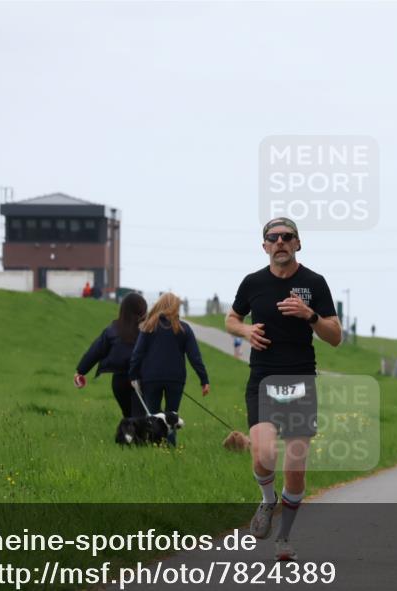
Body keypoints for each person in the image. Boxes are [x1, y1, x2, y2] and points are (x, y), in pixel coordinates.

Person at [225, 217, 342, 561]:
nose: (280, 242)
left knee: (295, 468)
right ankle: (266, 501)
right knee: (262, 454)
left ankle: (284, 537)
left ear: (297, 243)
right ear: (264, 247)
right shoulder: (252, 283)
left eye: (286, 237)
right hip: (262, 379)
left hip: (301, 380)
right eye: (272, 238)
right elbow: (231, 318)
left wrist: (309, 315)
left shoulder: (314, 283)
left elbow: (335, 336)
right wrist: (245, 332)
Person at [129, 293, 210, 445]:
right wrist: (204, 380)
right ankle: (171, 446)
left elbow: (137, 353)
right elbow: (195, 357)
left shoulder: (148, 326)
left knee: (152, 416)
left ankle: (155, 446)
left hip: (150, 378)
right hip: (175, 379)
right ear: (176, 307)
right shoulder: (184, 328)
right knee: (172, 415)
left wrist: (133, 376)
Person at [74, 292, 148, 418]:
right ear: (143, 311)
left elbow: (95, 351)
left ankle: (128, 436)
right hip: (141, 380)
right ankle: (139, 436)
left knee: (128, 417)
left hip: (119, 382)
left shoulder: (112, 329)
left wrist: (81, 371)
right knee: (140, 418)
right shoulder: (147, 330)